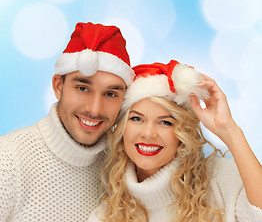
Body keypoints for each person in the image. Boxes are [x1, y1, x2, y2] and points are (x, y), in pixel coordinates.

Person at [88, 60, 262, 222]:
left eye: (165, 122)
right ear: (121, 128)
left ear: (183, 131)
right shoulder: (105, 216)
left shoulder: (220, 179)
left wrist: (230, 130)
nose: (148, 134)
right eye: (136, 119)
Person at [0, 22, 134, 221]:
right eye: (83, 88)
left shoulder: (121, 166)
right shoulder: (8, 162)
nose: (94, 109)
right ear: (58, 86)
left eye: (110, 94)